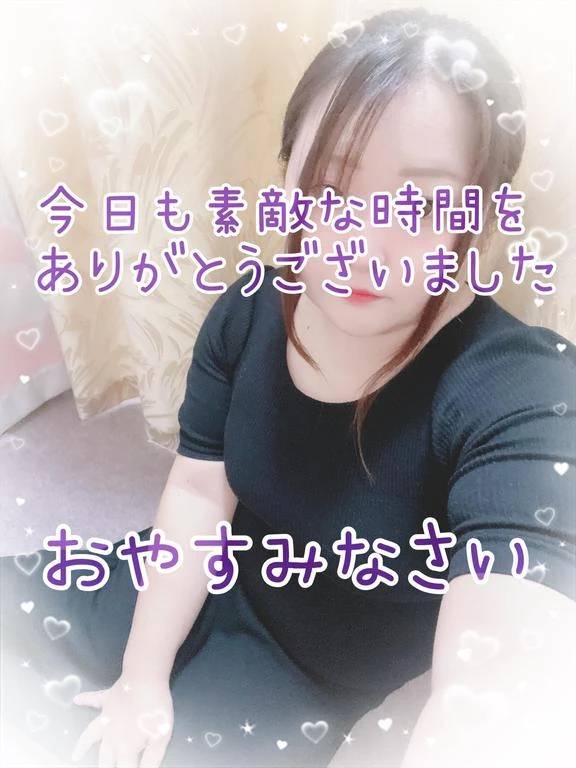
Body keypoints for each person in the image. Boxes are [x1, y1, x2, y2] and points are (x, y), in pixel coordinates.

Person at [2, 8, 575, 768]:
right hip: (179, 576)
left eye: (424, 204)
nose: (361, 245)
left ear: (487, 212)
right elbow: (198, 492)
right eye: (330, 188)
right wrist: (141, 677)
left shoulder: (525, 393)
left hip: (293, 679)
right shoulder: (251, 307)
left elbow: (504, 683)